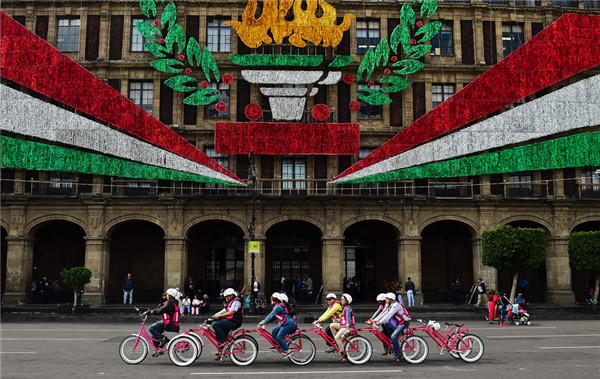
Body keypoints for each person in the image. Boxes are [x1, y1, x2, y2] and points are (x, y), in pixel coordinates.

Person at [374, 292, 411, 361]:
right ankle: (389, 348)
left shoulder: (395, 305)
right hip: (399, 322)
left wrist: (379, 322)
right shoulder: (390, 305)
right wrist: (374, 320)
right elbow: (384, 313)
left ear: (391, 299)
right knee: (383, 333)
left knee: (394, 336)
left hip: (404, 323)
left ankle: (398, 354)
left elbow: (388, 315)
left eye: (387, 299)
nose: (386, 300)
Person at [258, 292, 297, 359]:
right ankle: (277, 345)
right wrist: (264, 321)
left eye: (272, 299)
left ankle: (288, 350)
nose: (271, 301)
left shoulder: (278, 307)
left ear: (275, 300)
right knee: (274, 330)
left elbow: (271, 315)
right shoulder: (279, 306)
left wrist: (264, 322)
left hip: (288, 324)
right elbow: (273, 317)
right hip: (285, 323)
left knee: (279, 337)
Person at [143, 288, 180, 355]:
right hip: (171, 323)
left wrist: (149, 312)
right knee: (154, 332)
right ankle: (158, 349)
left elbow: (160, 311)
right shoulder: (174, 303)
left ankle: (163, 339)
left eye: (168, 294)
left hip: (169, 324)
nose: (166, 296)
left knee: (151, 328)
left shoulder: (170, 304)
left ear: (171, 296)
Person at [211, 288, 243, 361]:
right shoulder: (230, 302)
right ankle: (221, 352)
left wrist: (219, 316)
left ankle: (225, 341)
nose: (226, 298)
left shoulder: (236, 302)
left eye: (227, 296)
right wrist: (214, 316)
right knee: (219, 333)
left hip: (234, 322)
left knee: (215, 325)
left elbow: (231, 312)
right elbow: (224, 310)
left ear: (231, 295)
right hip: (230, 320)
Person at [329, 293, 354, 361]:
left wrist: (348, 328)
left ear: (347, 301)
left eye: (343, 299)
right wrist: (338, 320)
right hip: (343, 325)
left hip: (347, 327)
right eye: (341, 299)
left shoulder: (348, 309)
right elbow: (344, 318)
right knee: (331, 325)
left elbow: (348, 319)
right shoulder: (344, 308)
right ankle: (336, 340)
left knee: (337, 337)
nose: (341, 301)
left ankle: (342, 352)